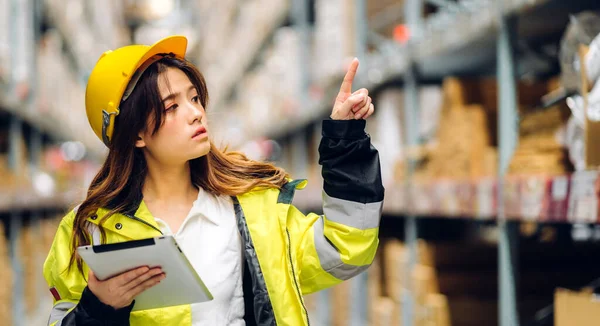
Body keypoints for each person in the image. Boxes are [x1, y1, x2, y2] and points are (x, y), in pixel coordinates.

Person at [43, 35, 384, 326]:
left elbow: (347, 248)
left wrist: (345, 142)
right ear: (135, 135)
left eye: (194, 98)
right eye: (171, 106)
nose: (196, 112)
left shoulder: (254, 214)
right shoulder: (91, 232)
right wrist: (96, 310)